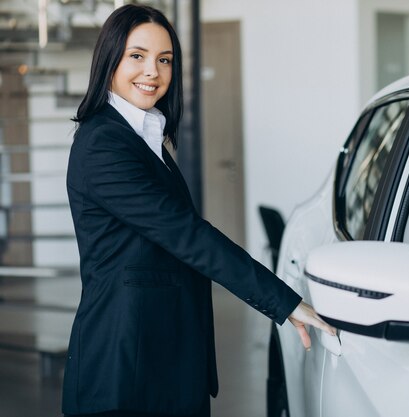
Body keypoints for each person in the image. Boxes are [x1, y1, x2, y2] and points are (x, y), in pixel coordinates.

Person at [63, 4, 335, 416]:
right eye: (137, 56)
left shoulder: (143, 137)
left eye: (164, 60)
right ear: (110, 60)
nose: (152, 71)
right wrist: (284, 302)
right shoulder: (104, 144)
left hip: (160, 360)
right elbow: (187, 234)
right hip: (126, 370)